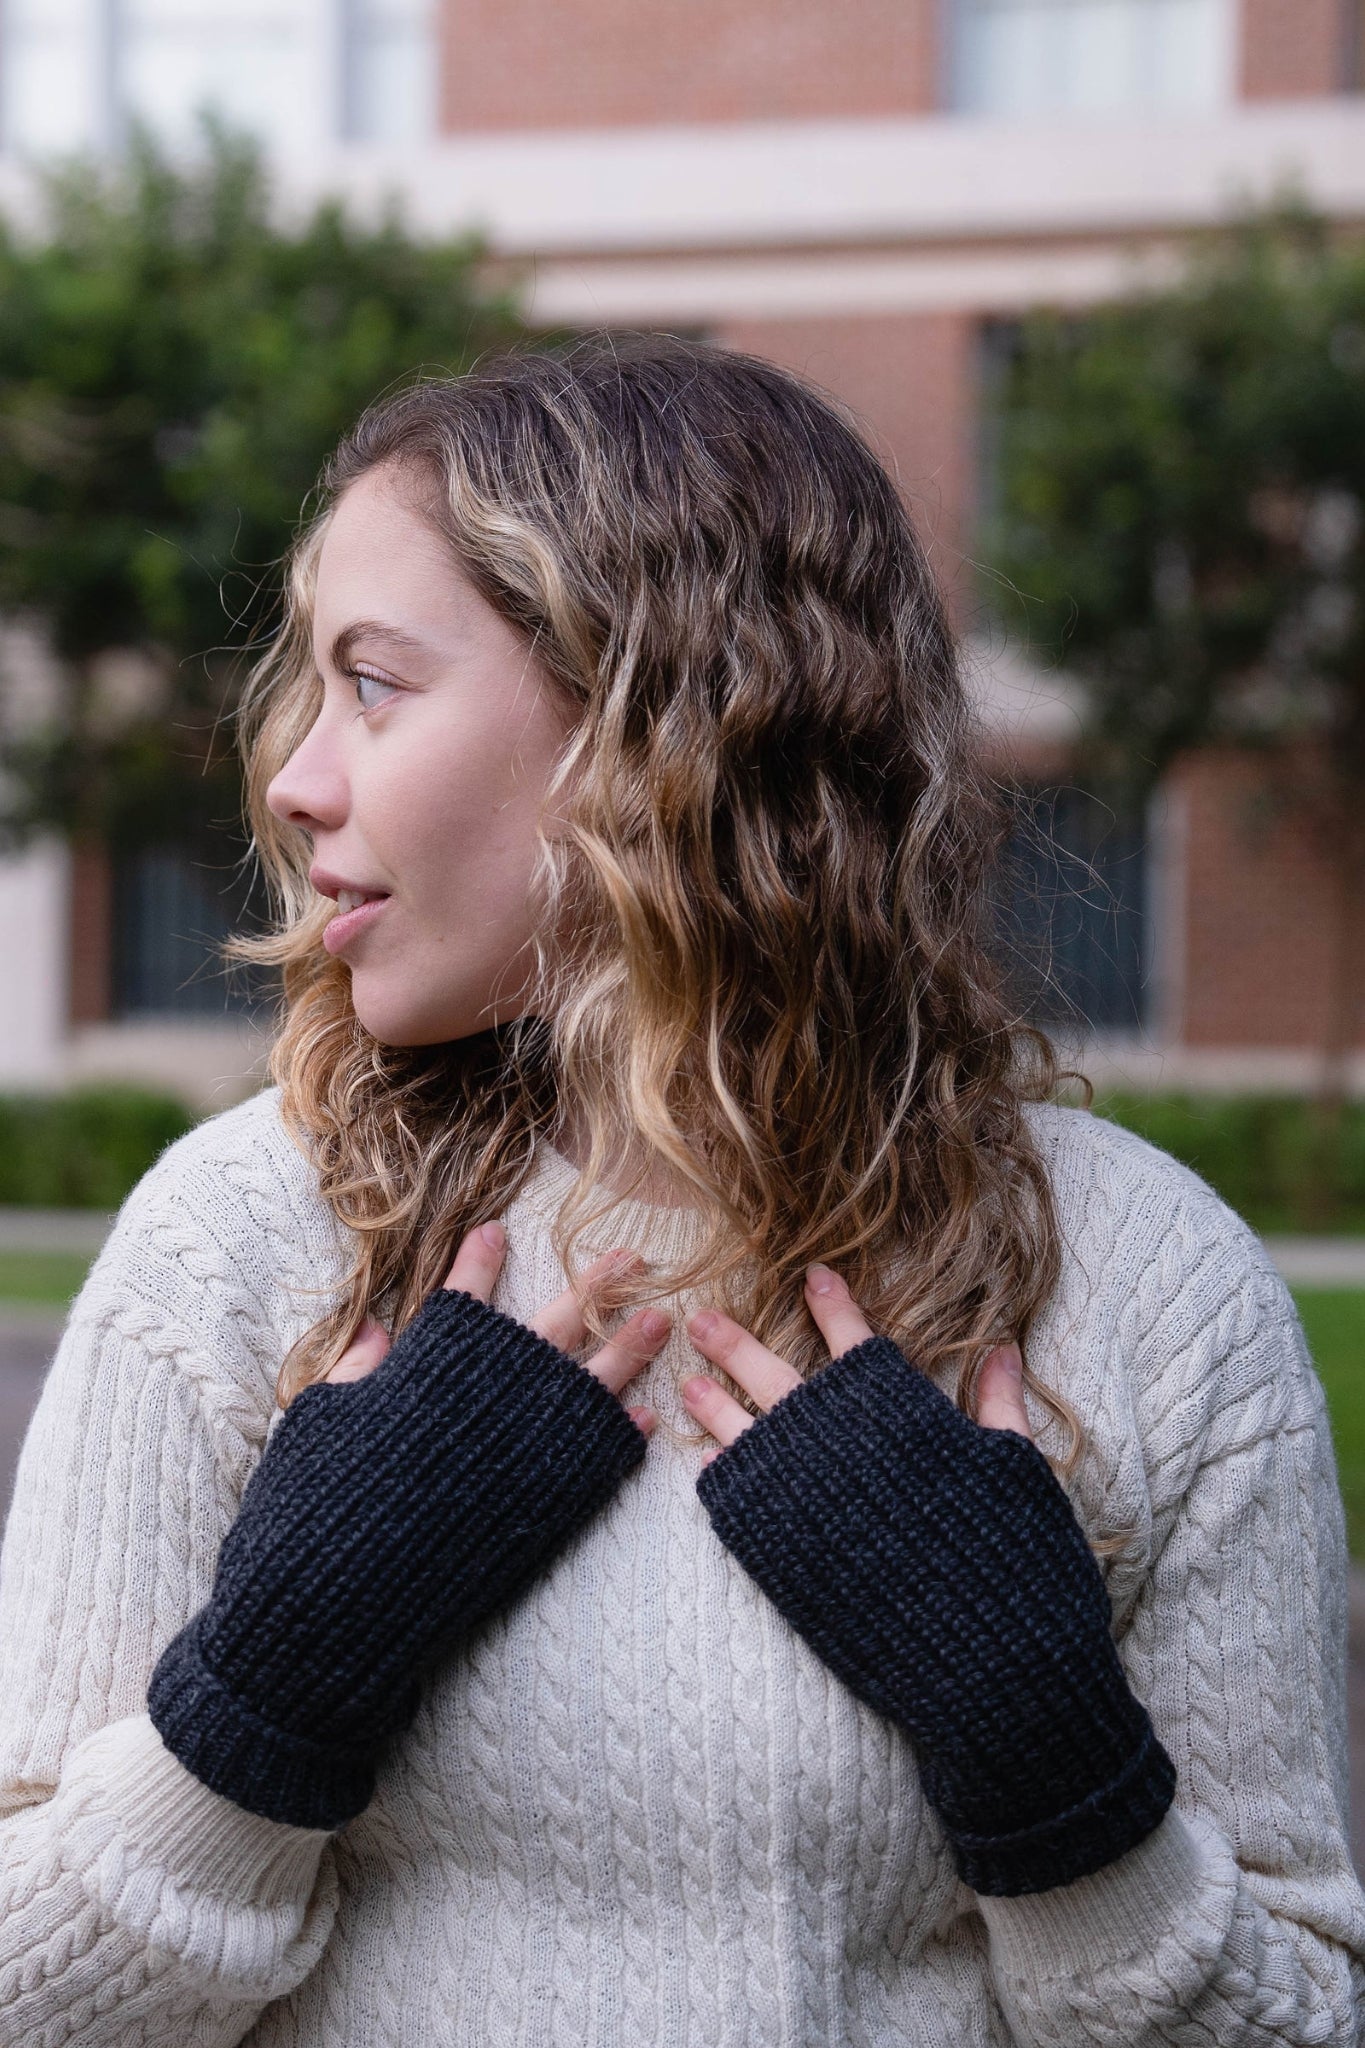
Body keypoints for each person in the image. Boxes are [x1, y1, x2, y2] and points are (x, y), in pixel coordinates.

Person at [0, 330, 1362, 2048]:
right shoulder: (243, 1244)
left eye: (376, 682)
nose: (291, 772)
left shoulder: (1149, 1286)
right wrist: (267, 1688)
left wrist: (1054, 1768)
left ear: (653, 722)